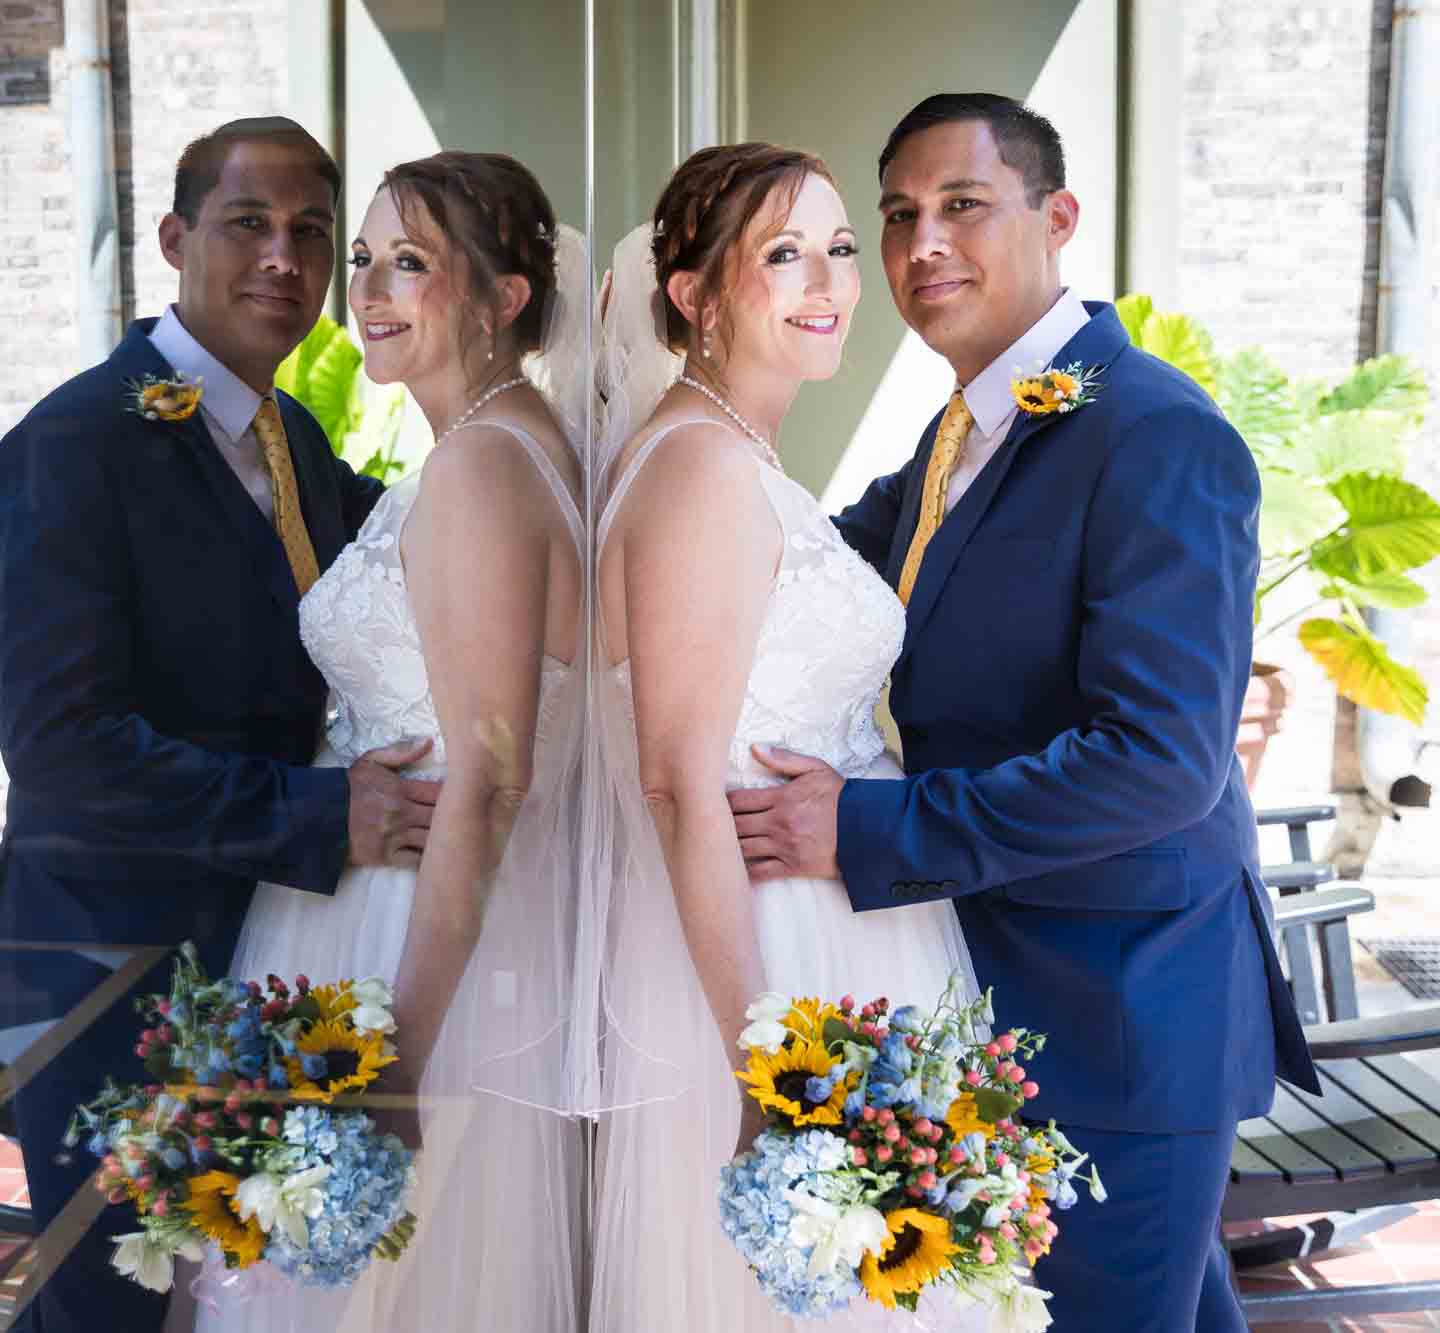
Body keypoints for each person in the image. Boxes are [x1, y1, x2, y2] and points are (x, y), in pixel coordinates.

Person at [729, 93, 1319, 1332]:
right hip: (1008, 995)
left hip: (1122, 1015)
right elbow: (809, 575)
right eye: (895, 217)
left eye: (960, 206)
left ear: (1055, 219)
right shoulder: (965, 427)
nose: (918, 245)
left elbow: (1159, 762)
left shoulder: (1156, 435)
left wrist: (867, 831)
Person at [0, 117, 435, 1333]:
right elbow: (64, 757)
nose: (284, 257)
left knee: (215, 1297)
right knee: (107, 1306)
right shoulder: (70, 447)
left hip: (256, 949)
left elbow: (420, 554)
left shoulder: (296, 441)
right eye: (248, 224)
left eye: (310, 234)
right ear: (175, 240)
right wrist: (329, 813)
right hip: (102, 968)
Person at [183, 150, 589, 1333]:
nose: (365, 289)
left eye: (409, 262)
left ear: (503, 297)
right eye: (362, 260)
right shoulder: (493, 444)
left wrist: (394, 1059)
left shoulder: (478, 467)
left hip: (404, 942)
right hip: (386, 920)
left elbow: (493, 773)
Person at [587, 142, 989, 1332]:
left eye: (838, 249)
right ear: (694, 295)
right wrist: (768, 1066)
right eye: (781, 254)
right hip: (771, 954)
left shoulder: (740, 452)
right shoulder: (699, 469)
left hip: (840, 932)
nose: (827, 283)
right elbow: (672, 781)